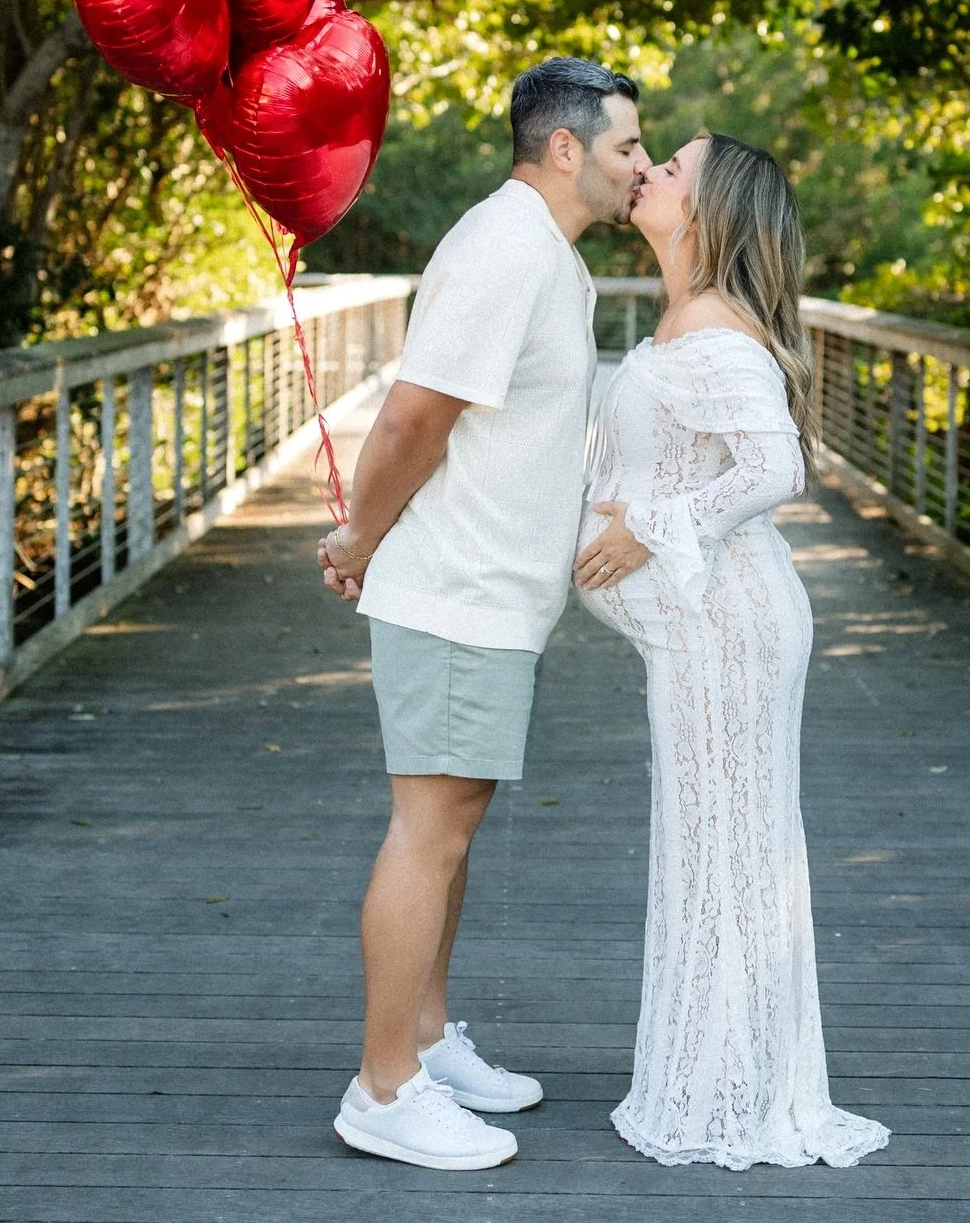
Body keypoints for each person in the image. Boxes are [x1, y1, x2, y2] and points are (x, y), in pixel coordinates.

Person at [318, 57, 648, 1172]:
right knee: (430, 830)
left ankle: (425, 1040)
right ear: (565, 149)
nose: (639, 168)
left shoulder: (540, 254)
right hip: (456, 593)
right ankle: (383, 1087)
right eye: (626, 149)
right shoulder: (507, 249)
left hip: (491, 596)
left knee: (451, 830)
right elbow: (415, 418)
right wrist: (359, 537)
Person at [573, 132, 891, 1171]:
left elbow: (774, 466)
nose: (649, 171)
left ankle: (732, 1095)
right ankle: (719, 1077)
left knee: (726, 853)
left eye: (672, 168)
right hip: (707, 628)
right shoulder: (686, 314)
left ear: (707, 215)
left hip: (731, 628)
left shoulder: (713, 326)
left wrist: (648, 525)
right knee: (715, 850)